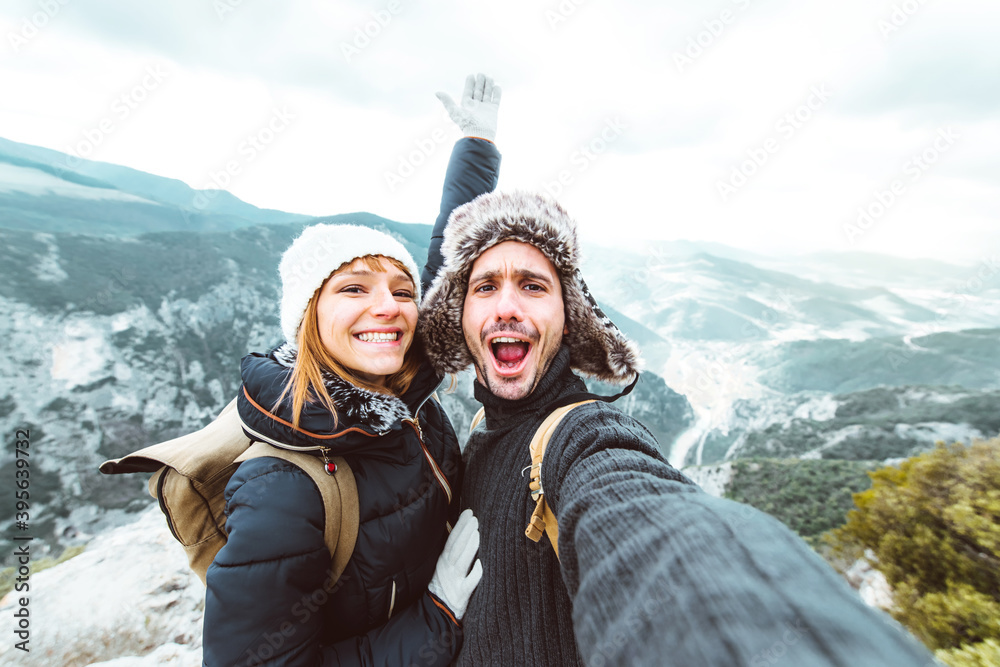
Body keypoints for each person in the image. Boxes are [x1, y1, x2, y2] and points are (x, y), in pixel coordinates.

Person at [417, 192, 938, 665]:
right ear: (462, 314)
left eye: (533, 286)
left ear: (569, 317)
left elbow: (645, 519)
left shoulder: (578, 436)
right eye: (485, 286)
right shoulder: (483, 424)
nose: (506, 307)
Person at [201, 74, 503, 667]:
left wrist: (476, 144)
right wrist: (437, 615)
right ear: (309, 317)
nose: (387, 306)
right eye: (354, 288)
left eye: (399, 289)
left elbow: (448, 252)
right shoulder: (282, 493)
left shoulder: (403, 383)